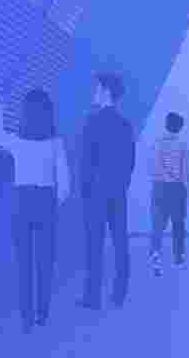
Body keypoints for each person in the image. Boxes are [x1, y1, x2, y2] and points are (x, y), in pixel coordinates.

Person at [0, 89, 71, 332]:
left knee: (23, 264)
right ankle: (42, 314)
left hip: (21, 202)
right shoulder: (56, 144)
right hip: (46, 202)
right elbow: (65, 183)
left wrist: (0, 110)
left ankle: (26, 319)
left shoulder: (17, 141)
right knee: (45, 262)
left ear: (25, 113)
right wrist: (55, 203)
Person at [80, 71, 135, 309]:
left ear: (105, 91)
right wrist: (122, 185)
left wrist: (85, 190)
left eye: (96, 88)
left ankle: (92, 297)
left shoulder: (92, 122)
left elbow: (86, 162)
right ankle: (119, 294)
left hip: (95, 192)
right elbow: (130, 161)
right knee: (120, 242)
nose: (94, 92)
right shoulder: (125, 125)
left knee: (95, 245)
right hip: (118, 192)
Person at [147, 112, 189, 276]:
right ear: (180, 127)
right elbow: (185, 173)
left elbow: (151, 168)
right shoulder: (183, 145)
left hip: (159, 187)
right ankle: (178, 257)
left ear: (166, 124)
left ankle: (155, 255)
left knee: (157, 224)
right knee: (178, 224)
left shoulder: (157, 143)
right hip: (177, 189)